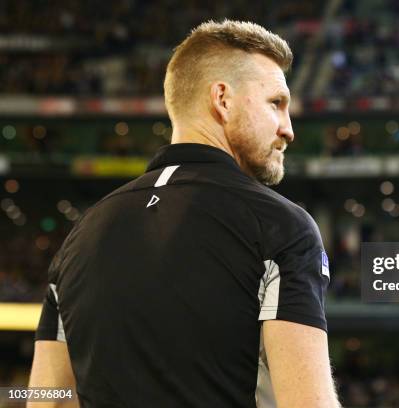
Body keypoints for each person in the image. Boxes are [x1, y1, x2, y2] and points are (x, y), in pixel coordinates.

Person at [28, 20, 341, 408]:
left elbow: (46, 398)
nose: (288, 129)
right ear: (222, 99)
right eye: (276, 103)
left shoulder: (79, 236)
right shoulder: (281, 227)